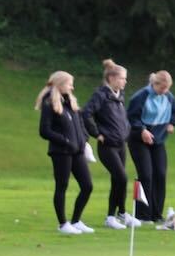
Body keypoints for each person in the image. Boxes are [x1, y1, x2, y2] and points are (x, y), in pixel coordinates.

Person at [81, 59, 138, 229]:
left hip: (121, 144)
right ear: (112, 78)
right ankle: (111, 217)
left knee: (118, 180)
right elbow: (86, 113)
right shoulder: (101, 95)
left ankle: (121, 213)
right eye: (122, 78)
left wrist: (126, 130)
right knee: (122, 177)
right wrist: (97, 133)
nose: (125, 81)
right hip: (107, 146)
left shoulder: (119, 96)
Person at [37, 71, 95, 235]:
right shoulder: (49, 103)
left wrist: (84, 140)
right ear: (60, 84)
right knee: (62, 186)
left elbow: (80, 124)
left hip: (77, 151)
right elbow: (44, 131)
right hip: (61, 152)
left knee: (87, 186)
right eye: (70, 84)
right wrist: (66, 141)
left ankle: (76, 220)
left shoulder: (70, 101)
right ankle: (63, 224)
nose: (72, 87)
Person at [126, 70, 175, 224]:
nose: (165, 91)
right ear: (155, 84)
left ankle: (156, 214)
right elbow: (131, 116)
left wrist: (172, 123)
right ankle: (142, 215)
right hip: (138, 140)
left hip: (158, 140)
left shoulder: (168, 96)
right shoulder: (141, 96)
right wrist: (142, 130)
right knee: (146, 175)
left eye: (167, 88)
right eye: (162, 88)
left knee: (160, 174)